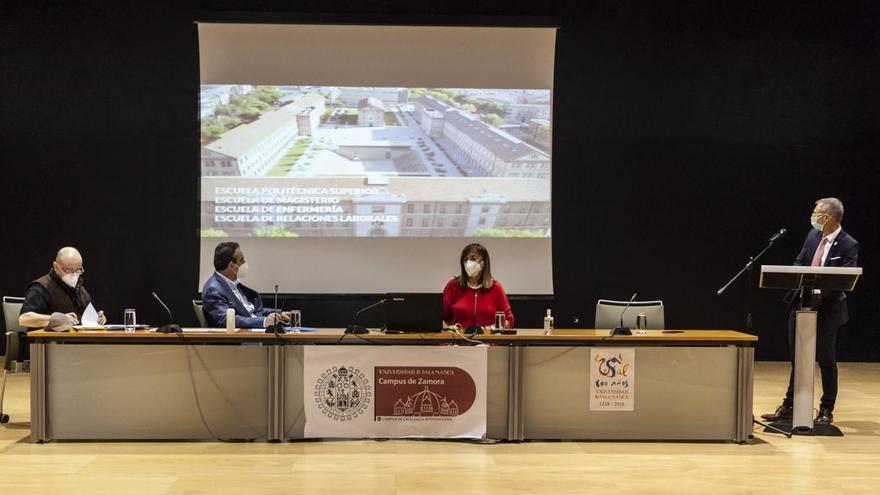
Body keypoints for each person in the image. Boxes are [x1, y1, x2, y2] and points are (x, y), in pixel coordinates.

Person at [761, 197, 859, 425]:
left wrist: (818, 294)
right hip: (801, 304)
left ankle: (826, 409)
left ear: (827, 218)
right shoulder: (812, 235)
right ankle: (789, 405)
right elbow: (800, 261)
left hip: (828, 309)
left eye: (816, 213)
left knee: (826, 359)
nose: (813, 217)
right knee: (798, 357)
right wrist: (798, 280)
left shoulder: (848, 244)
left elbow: (844, 279)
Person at [202, 242, 290, 329]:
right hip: (242, 339)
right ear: (232, 265)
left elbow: (254, 311)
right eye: (241, 260)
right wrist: (263, 321)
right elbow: (225, 319)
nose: (245, 263)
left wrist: (279, 314)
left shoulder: (234, 285)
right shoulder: (213, 289)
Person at [19, 247, 106, 329]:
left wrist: (96, 318)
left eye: (78, 270)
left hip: (76, 341)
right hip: (47, 343)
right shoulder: (42, 287)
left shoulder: (80, 290)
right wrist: (56, 319)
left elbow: (84, 319)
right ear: (56, 267)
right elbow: (24, 319)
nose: (74, 275)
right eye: (68, 270)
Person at [442, 243, 515, 331]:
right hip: (458, 341)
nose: (468, 263)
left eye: (473, 259)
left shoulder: (496, 288)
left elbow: (509, 320)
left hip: (487, 342)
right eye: (465, 259)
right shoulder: (453, 286)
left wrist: (490, 328)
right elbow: (442, 317)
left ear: (484, 263)